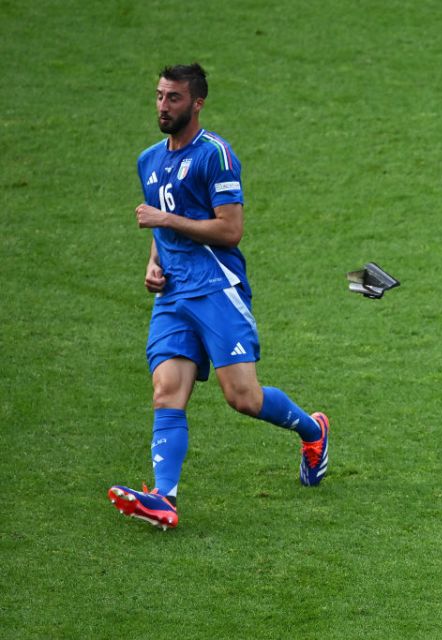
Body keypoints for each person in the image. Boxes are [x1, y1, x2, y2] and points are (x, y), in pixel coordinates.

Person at [108, 63, 329, 530]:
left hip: (215, 288)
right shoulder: (149, 160)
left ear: (197, 103)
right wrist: (154, 261)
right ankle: (164, 498)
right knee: (166, 392)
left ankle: (313, 431)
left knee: (243, 398)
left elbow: (230, 229)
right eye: (159, 96)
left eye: (173, 98)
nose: (163, 106)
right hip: (173, 295)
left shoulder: (216, 155)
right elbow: (163, 218)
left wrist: (164, 224)